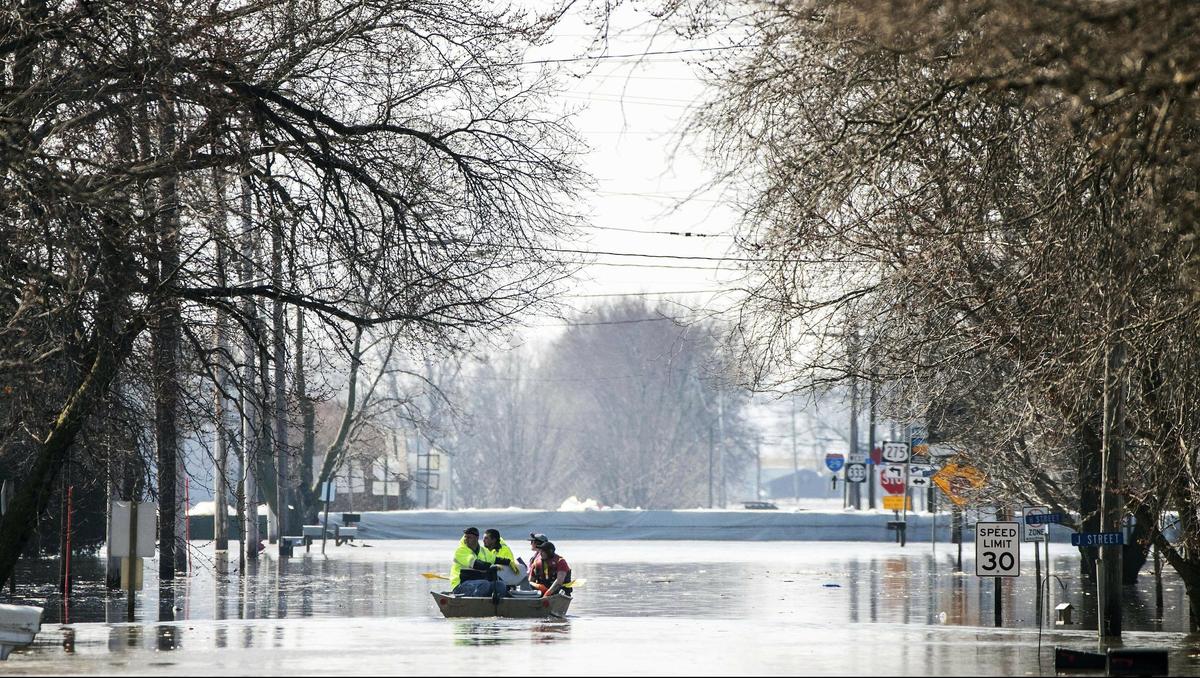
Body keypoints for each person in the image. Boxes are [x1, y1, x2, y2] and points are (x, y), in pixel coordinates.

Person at [450, 527, 506, 603]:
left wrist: (509, 562)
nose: (466, 539)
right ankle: (475, 606)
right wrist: (491, 567)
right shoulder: (461, 550)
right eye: (465, 537)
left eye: (469, 537)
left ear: (476, 538)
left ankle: (496, 607)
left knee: (500, 585)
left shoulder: (482, 551)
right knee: (484, 584)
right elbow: (476, 564)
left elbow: (496, 559)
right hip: (460, 585)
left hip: (477, 583)